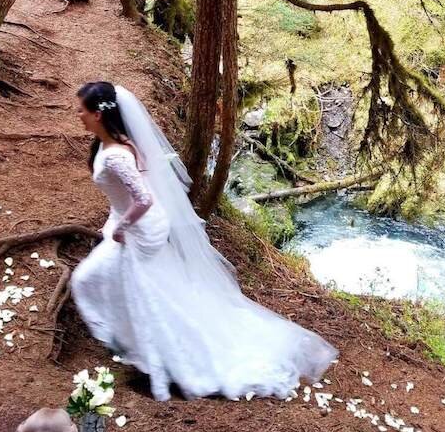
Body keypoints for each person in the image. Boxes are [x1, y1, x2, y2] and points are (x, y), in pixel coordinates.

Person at [71, 82, 337, 401]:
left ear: (98, 115)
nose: (78, 116)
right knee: (144, 285)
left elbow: (142, 198)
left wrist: (121, 227)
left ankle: (170, 356)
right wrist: (117, 219)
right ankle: (143, 347)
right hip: (134, 224)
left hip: (139, 227)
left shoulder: (116, 155)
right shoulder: (110, 145)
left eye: (82, 111)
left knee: (125, 286)